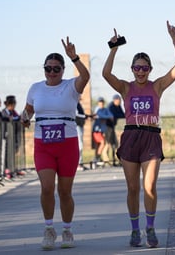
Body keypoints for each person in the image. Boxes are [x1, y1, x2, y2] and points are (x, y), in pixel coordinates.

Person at [102, 21, 175, 248]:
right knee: (132, 188)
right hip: (130, 138)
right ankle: (134, 230)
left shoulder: (157, 86)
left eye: (144, 68)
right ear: (131, 69)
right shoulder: (126, 88)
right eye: (137, 68)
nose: (140, 71)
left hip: (150, 138)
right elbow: (106, 73)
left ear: (150, 70)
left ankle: (150, 227)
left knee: (149, 187)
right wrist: (113, 49)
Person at [20, 37, 90, 250]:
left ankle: (67, 230)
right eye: (48, 69)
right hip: (43, 143)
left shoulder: (71, 86)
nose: (51, 73)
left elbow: (86, 76)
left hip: (67, 143)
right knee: (47, 188)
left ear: (62, 69)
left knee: (65, 192)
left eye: (56, 69)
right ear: (44, 70)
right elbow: (29, 110)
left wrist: (74, 57)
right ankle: (49, 228)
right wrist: (24, 117)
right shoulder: (35, 88)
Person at [91, 97, 114, 166]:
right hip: (96, 129)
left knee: (100, 144)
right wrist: (104, 117)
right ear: (98, 103)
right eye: (100, 102)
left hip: (102, 130)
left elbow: (111, 116)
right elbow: (100, 115)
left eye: (102, 102)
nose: (101, 104)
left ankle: (97, 158)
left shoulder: (105, 110)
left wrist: (103, 117)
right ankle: (97, 158)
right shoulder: (97, 110)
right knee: (102, 143)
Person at [106, 94, 125, 166]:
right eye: (118, 100)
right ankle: (110, 160)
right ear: (115, 100)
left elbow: (123, 115)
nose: (119, 101)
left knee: (116, 144)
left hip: (115, 127)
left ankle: (117, 159)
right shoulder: (111, 106)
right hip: (109, 128)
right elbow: (113, 115)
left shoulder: (118, 106)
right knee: (110, 144)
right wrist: (119, 115)